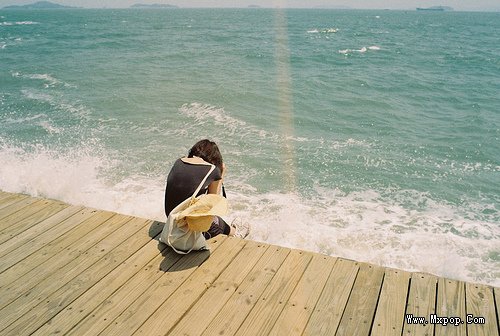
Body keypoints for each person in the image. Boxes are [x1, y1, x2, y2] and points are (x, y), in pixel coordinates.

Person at [164, 139, 248, 239]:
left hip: (172, 219)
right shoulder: (212, 170)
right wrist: (221, 174)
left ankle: (232, 231)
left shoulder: (179, 162)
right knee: (214, 221)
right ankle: (235, 234)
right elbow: (213, 205)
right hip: (190, 228)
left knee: (206, 216)